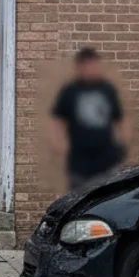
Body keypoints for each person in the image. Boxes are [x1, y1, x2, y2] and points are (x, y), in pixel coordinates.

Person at [49, 47, 129, 191]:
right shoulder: (70, 90)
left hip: (107, 160)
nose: (92, 69)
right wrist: (58, 143)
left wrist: (124, 141)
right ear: (80, 66)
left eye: (95, 65)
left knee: (107, 200)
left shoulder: (107, 89)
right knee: (79, 202)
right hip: (80, 163)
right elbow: (57, 118)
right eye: (88, 65)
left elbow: (120, 117)